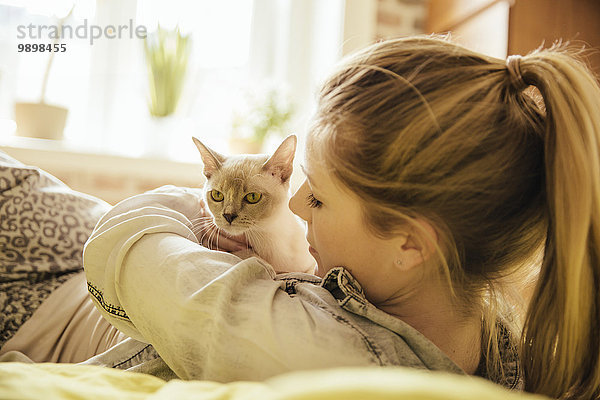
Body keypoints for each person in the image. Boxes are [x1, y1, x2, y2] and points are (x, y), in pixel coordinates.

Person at [6, 35, 599, 399]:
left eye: (317, 197)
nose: (293, 203)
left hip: (61, 303)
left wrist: (194, 209)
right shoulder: (497, 341)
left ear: (409, 245)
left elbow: (121, 240)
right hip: (78, 261)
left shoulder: (321, 348)